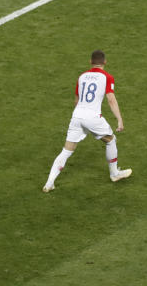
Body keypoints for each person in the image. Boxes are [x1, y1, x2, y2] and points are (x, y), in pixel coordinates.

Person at [42, 50, 133, 192]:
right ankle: (114, 174)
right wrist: (119, 120)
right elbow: (111, 99)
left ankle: (49, 183)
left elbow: (76, 100)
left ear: (91, 62)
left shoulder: (82, 76)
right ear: (105, 62)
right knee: (111, 140)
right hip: (92, 117)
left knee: (66, 151)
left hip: (77, 115)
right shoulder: (107, 77)